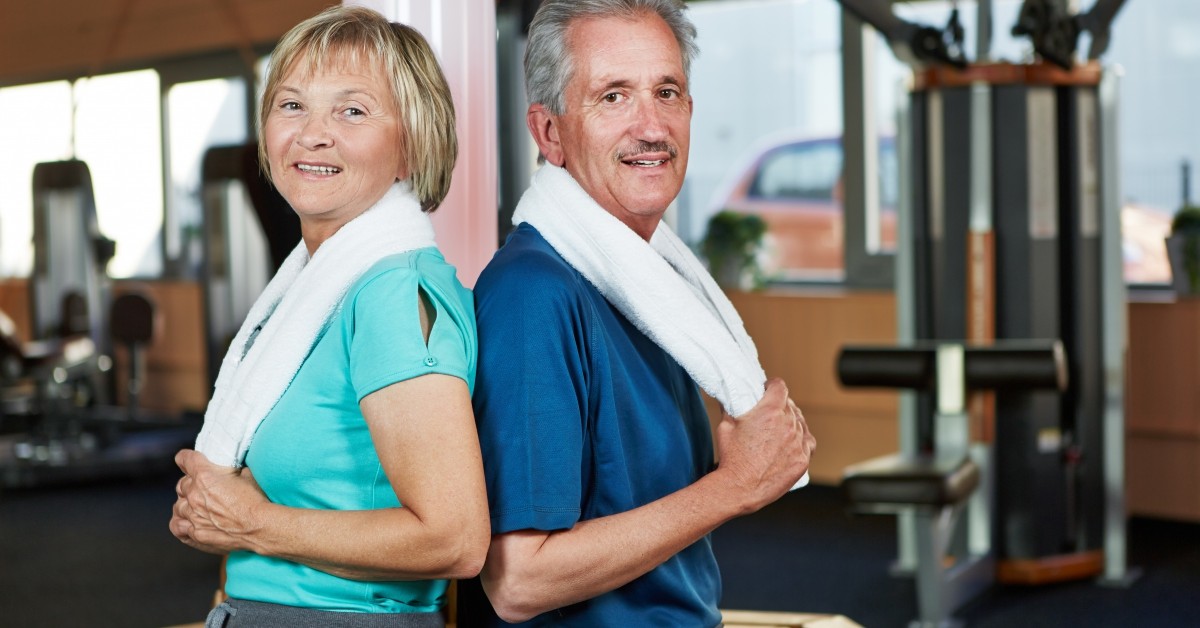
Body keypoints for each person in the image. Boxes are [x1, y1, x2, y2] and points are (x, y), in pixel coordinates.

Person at [457, 0, 816, 625]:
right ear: (549, 133)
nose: (651, 127)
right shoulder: (534, 295)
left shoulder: (652, 290)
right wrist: (734, 486)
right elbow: (519, 581)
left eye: (666, 92)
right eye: (613, 97)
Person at [168, 6, 488, 626]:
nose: (312, 134)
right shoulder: (316, 287)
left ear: (411, 146)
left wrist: (251, 522)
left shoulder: (390, 295)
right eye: (291, 105)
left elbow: (454, 539)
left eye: (352, 111)